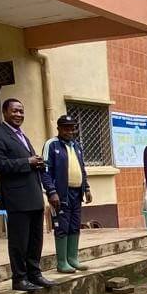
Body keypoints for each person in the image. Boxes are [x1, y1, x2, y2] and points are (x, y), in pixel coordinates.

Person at [0, 98, 53, 292]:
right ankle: (20, 278)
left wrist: (38, 163)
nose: (18, 115)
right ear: (4, 112)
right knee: (19, 241)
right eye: (14, 111)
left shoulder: (22, 135)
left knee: (35, 239)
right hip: (17, 199)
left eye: (21, 111)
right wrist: (27, 162)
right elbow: (0, 164)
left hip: (33, 195)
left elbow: (28, 161)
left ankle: (35, 274)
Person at [42, 115, 92, 273]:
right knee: (62, 226)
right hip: (60, 194)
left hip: (76, 193)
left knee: (74, 225)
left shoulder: (76, 146)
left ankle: (72, 259)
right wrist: (51, 192)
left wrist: (87, 188)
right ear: (59, 128)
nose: (70, 131)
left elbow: (82, 168)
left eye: (72, 128)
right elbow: (45, 170)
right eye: (66, 128)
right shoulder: (52, 145)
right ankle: (62, 262)